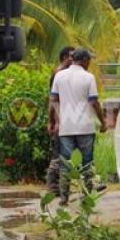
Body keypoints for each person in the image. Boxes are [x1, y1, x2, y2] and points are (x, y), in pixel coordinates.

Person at [50, 48, 107, 206]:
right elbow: (94, 102)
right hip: (85, 127)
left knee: (65, 163)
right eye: (89, 60)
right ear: (84, 60)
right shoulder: (88, 77)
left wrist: (56, 120)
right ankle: (86, 196)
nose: (89, 63)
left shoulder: (59, 76)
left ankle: (64, 198)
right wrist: (102, 122)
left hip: (66, 127)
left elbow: (53, 100)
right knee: (87, 162)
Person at [46, 46, 75, 196]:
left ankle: (61, 187)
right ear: (65, 58)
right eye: (71, 56)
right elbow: (54, 101)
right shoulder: (59, 75)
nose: (74, 59)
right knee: (58, 155)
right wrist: (55, 121)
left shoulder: (65, 74)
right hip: (61, 119)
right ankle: (53, 187)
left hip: (68, 118)